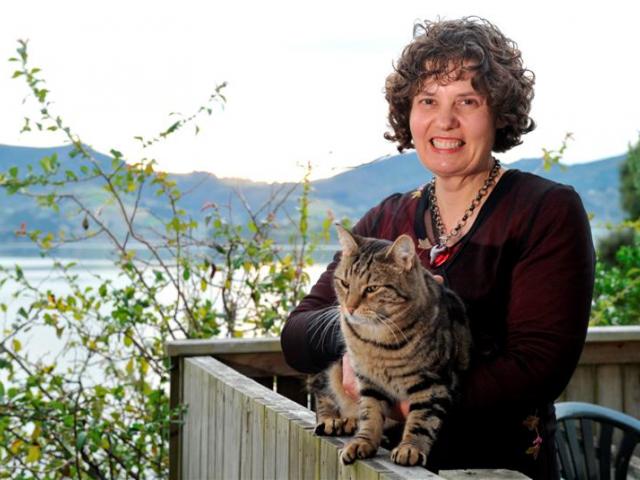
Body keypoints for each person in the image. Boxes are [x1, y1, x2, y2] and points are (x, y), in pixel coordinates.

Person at [280, 16, 595, 479]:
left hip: (497, 469)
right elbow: (298, 334)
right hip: (385, 470)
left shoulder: (546, 211)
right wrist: (360, 354)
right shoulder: (385, 221)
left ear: (499, 113)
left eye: (467, 100)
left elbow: (538, 369)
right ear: (408, 113)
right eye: (428, 100)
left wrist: (409, 398)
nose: (445, 120)